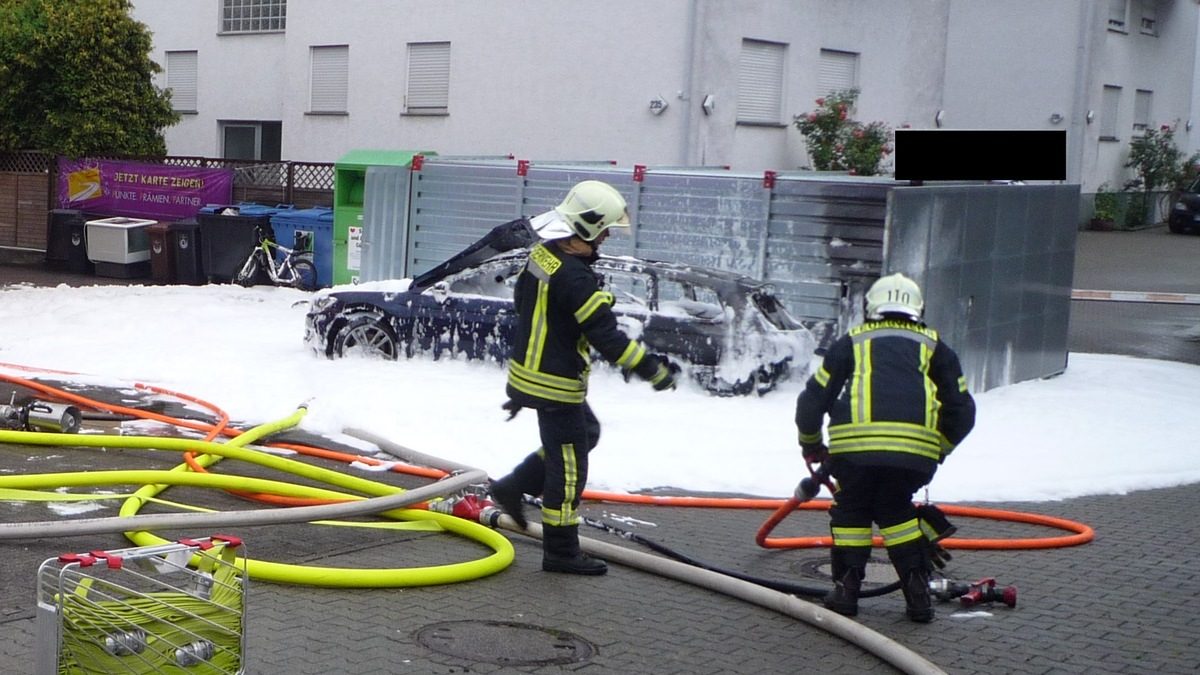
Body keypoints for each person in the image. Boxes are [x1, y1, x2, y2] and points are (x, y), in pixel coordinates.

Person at [489, 180, 678, 576]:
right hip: (555, 382)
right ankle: (561, 551)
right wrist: (652, 370)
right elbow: (605, 337)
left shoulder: (543, 256)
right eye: (604, 230)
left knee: (585, 434)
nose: (607, 237)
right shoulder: (575, 278)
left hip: (532, 374)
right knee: (569, 467)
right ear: (587, 228)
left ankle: (513, 485)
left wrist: (524, 388)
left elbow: (527, 306)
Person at [794, 272, 975, 622]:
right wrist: (939, 447)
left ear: (870, 307)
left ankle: (846, 592)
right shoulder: (936, 347)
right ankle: (918, 595)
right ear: (918, 309)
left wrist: (812, 444)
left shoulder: (851, 342)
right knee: (896, 511)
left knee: (852, 512)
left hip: (854, 455)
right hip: (913, 458)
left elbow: (813, 400)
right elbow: (963, 410)